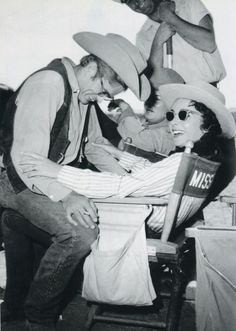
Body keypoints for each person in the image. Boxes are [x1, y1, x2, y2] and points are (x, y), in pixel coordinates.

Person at [0, 32, 150, 331]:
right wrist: (67, 196)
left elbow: (94, 146)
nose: (102, 99)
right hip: (15, 180)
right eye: (103, 90)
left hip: (44, 179)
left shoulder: (83, 95)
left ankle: (15, 226)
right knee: (80, 234)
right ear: (93, 67)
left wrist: (128, 185)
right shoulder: (49, 84)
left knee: (80, 219)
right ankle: (39, 316)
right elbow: (25, 160)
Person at [19, 81, 236, 234]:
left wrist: (57, 171)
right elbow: (156, 174)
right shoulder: (201, 161)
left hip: (140, 225)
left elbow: (121, 185)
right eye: (171, 115)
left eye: (183, 115)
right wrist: (118, 154)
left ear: (207, 125)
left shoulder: (182, 161)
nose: (173, 122)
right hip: (158, 219)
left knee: (41, 214)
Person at [112, 0, 226, 84]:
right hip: (175, 102)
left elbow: (209, 44)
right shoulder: (142, 37)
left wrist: (171, 18)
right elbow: (154, 81)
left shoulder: (189, 4)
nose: (136, 3)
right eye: (128, 1)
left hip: (210, 94)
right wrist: (158, 41)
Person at [107, 91, 175, 155]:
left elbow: (136, 139)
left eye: (156, 99)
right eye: (148, 98)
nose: (149, 103)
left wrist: (125, 108)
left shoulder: (170, 135)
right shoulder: (143, 123)